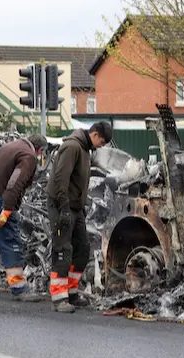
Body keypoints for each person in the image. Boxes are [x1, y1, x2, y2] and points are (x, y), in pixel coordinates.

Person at [0, 133, 48, 301]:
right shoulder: (29, 156)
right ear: (39, 149)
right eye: (42, 153)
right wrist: (7, 209)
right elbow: (15, 183)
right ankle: (19, 288)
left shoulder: (10, 146)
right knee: (10, 240)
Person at [46, 122, 112, 313]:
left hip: (75, 208)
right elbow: (61, 179)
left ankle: (71, 292)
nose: (102, 145)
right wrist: (64, 208)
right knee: (62, 247)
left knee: (82, 248)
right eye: (102, 141)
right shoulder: (72, 147)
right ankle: (59, 297)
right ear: (95, 134)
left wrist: (79, 208)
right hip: (60, 207)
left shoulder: (85, 150)